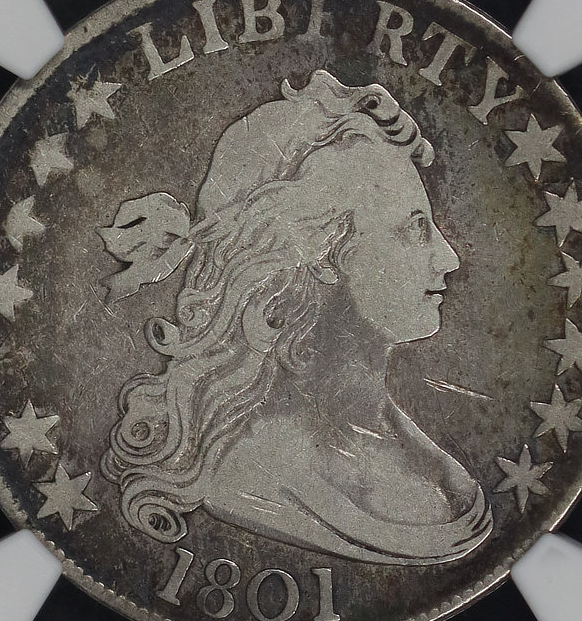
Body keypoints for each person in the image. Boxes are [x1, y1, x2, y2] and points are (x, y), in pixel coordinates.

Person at [101, 69, 492, 565]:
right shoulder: (252, 476)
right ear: (321, 253)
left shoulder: (412, 452)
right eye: (415, 229)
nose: (449, 258)